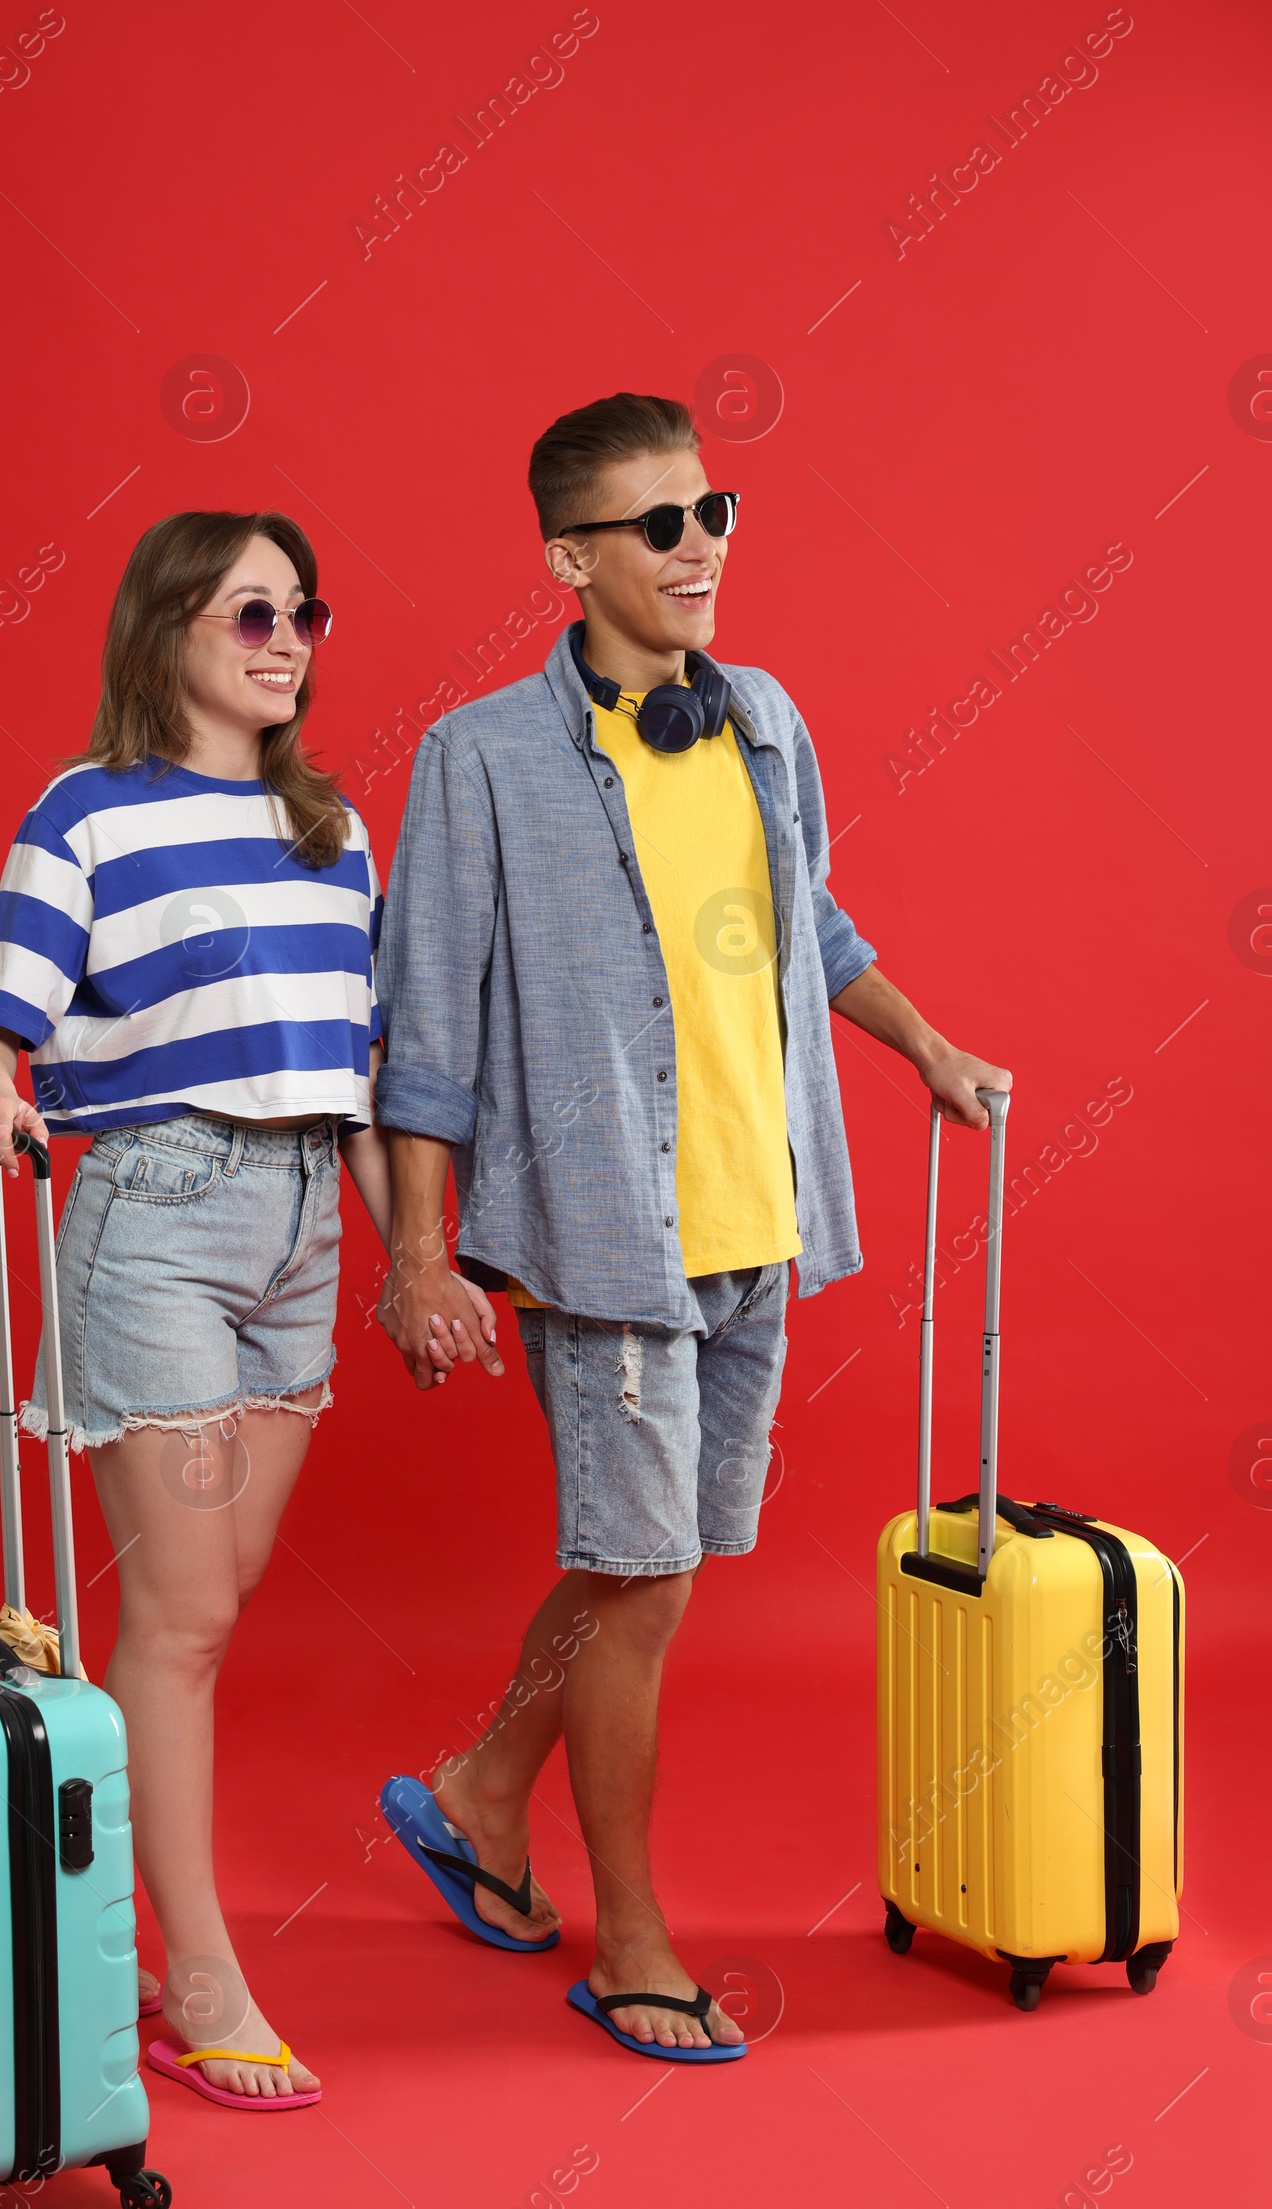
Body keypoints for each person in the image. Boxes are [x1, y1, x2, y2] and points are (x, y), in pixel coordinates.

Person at [374, 393, 1011, 2059]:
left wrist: (927, 1045)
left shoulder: (765, 721)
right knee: (645, 1583)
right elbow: (426, 1025)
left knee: (634, 1565)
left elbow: (816, 920)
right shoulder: (482, 756)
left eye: (714, 508)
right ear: (570, 558)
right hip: (601, 1241)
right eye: (659, 522)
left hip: (760, 1224)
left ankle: (478, 1795)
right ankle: (635, 1939)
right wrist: (422, 1257)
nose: (702, 544)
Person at [0, 508, 494, 2107]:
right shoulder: (88, 817)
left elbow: (379, 1075)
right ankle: (195, 1975)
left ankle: (116, 1910)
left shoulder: (334, 832)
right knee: (179, 1627)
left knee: (209, 1605)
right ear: (169, 625)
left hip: (305, 1228)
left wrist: (418, 1258)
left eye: (306, 612)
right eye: (253, 611)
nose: (287, 639)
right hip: (157, 1219)